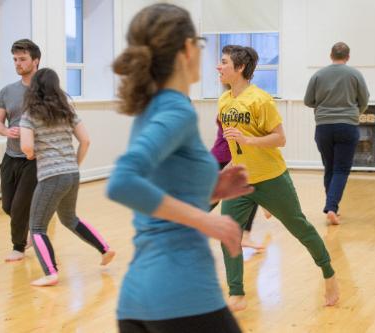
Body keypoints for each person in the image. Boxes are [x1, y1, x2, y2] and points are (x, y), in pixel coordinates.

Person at [107, 4, 250, 332]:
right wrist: (207, 221)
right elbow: (123, 182)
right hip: (183, 295)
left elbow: (162, 189)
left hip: (136, 301)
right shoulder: (176, 110)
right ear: (187, 49)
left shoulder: (150, 109)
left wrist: (212, 189)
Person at [217, 44, 339, 311]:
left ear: (239, 68)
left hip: (271, 178)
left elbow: (280, 138)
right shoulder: (224, 101)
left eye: (224, 62)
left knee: (300, 228)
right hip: (241, 181)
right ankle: (236, 293)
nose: (218, 67)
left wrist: (248, 139)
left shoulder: (260, 99)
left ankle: (329, 273)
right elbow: (233, 146)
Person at [19, 68, 115, 286]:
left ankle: (50, 273)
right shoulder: (67, 111)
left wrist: (31, 153)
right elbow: (86, 141)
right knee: (70, 219)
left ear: (34, 88)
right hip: (71, 173)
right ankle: (105, 249)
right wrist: (75, 164)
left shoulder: (30, 114)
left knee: (36, 227)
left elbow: (26, 146)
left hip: (52, 176)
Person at [304, 42, 369, 225]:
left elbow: (308, 100)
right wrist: (355, 113)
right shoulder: (355, 74)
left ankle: (332, 207)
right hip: (347, 126)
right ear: (348, 57)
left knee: (330, 168)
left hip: (323, 127)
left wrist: (323, 105)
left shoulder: (318, 75)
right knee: (341, 169)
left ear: (330, 55)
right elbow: (364, 100)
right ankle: (332, 208)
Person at [0, 39, 40, 262]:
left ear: (35, 61)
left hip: (34, 158)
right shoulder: (7, 91)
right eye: (15, 59)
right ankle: (35, 225)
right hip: (10, 156)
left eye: (22, 59)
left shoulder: (46, 91)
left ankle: (18, 247)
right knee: (8, 205)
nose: (18, 63)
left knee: (20, 204)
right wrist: (6, 132)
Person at [210, 118, 266, 251]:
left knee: (249, 190)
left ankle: (182, 222)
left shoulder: (236, 107)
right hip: (227, 157)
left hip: (225, 157)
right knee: (248, 191)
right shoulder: (231, 109)